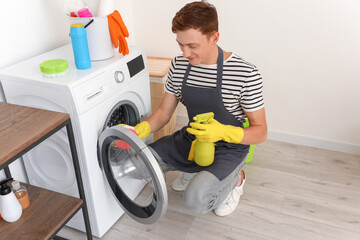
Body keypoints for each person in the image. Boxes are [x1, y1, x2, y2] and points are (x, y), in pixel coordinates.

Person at [134, 0, 267, 216]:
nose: (185, 53)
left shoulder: (245, 74)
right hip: (193, 140)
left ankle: (237, 180)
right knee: (136, 165)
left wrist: (223, 132)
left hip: (229, 147)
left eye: (192, 46)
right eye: (180, 44)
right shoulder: (179, 65)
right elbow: (163, 114)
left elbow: (261, 132)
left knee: (197, 200)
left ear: (214, 37)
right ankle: (194, 167)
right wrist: (140, 130)